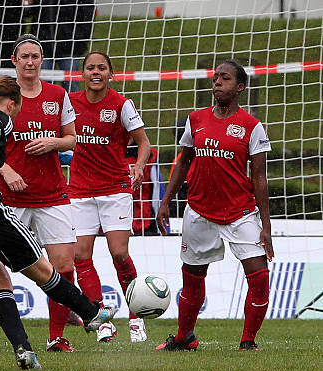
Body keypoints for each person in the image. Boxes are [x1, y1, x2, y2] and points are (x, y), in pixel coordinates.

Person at [0, 75, 115, 369]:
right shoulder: (0, 116)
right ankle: (92, 314)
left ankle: (24, 351)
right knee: (42, 270)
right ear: (12, 104)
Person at [0, 34, 81, 354]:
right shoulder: (0, 97)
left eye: (35, 56)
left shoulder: (58, 95)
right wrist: (5, 168)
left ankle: (57, 338)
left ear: (42, 60)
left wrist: (53, 143)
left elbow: (72, 139)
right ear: (14, 61)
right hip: (8, 197)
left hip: (51, 195)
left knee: (62, 265)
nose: (30, 62)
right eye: (24, 57)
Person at [156, 59, 274, 351]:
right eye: (215, 78)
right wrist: (165, 202)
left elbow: (259, 178)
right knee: (193, 277)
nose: (217, 83)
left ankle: (248, 341)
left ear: (240, 87)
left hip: (240, 213)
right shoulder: (195, 119)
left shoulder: (252, 126)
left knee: (259, 279)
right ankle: (185, 337)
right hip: (199, 211)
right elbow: (183, 162)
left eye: (225, 78)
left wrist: (266, 227)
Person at [68, 51, 151, 343]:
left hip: (115, 189)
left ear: (110, 74)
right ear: (82, 74)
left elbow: (144, 143)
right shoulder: (70, 103)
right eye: (90, 67)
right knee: (81, 255)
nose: (95, 72)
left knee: (119, 253)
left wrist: (138, 166)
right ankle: (100, 318)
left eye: (101, 68)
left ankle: (137, 316)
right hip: (79, 190)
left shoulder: (120, 104)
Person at [35, 0, 95, 93]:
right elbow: (32, 12)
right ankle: (45, 106)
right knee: (43, 86)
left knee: (71, 86)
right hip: (44, 45)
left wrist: (78, 42)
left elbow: (87, 18)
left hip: (70, 48)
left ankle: (72, 106)